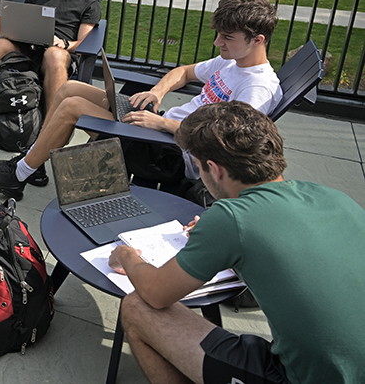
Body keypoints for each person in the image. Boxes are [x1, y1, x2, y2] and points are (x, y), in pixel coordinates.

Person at [109, 101, 365, 384]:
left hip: (302, 378)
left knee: (136, 308)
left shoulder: (231, 218)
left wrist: (126, 255)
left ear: (214, 169)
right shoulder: (333, 197)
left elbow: (156, 293)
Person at [0, 0, 282, 199]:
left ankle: (19, 174)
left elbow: (227, 141)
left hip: (172, 151)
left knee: (73, 107)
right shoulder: (231, 61)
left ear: (257, 39)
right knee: (69, 88)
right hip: (161, 127)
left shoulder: (256, 88)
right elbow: (185, 72)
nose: (218, 43)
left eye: (227, 37)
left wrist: (162, 125)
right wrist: (158, 91)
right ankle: (34, 160)